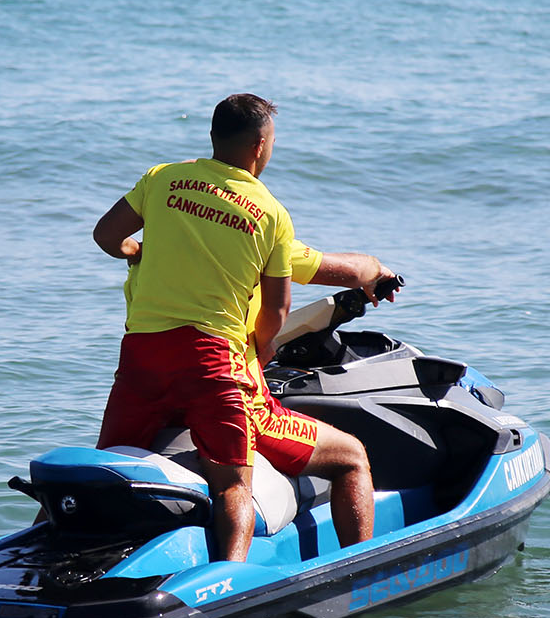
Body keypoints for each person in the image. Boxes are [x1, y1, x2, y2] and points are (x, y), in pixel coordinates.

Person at [92, 94, 382, 563]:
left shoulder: (162, 178)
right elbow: (278, 308)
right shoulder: (269, 214)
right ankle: (231, 581)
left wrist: (136, 251)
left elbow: (106, 235)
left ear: (212, 138)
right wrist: (263, 348)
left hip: (142, 358)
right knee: (235, 482)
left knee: (108, 468)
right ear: (259, 145)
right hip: (214, 364)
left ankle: (42, 553)